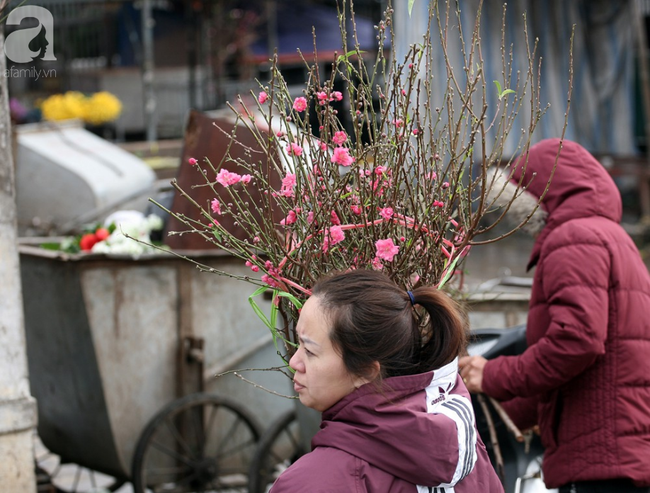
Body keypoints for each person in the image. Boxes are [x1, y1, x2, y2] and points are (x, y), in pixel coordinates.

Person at [459, 138, 650, 492]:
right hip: (617, 448)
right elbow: (594, 368)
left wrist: (493, 374)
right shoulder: (612, 237)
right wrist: (499, 410)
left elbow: (576, 341)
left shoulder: (573, 237)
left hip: (601, 459)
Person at [270, 269, 504, 492]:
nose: (294, 362)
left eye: (310, 351)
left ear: (366, 372)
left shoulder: (310, 483)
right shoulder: (464, 447)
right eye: (298, 343)